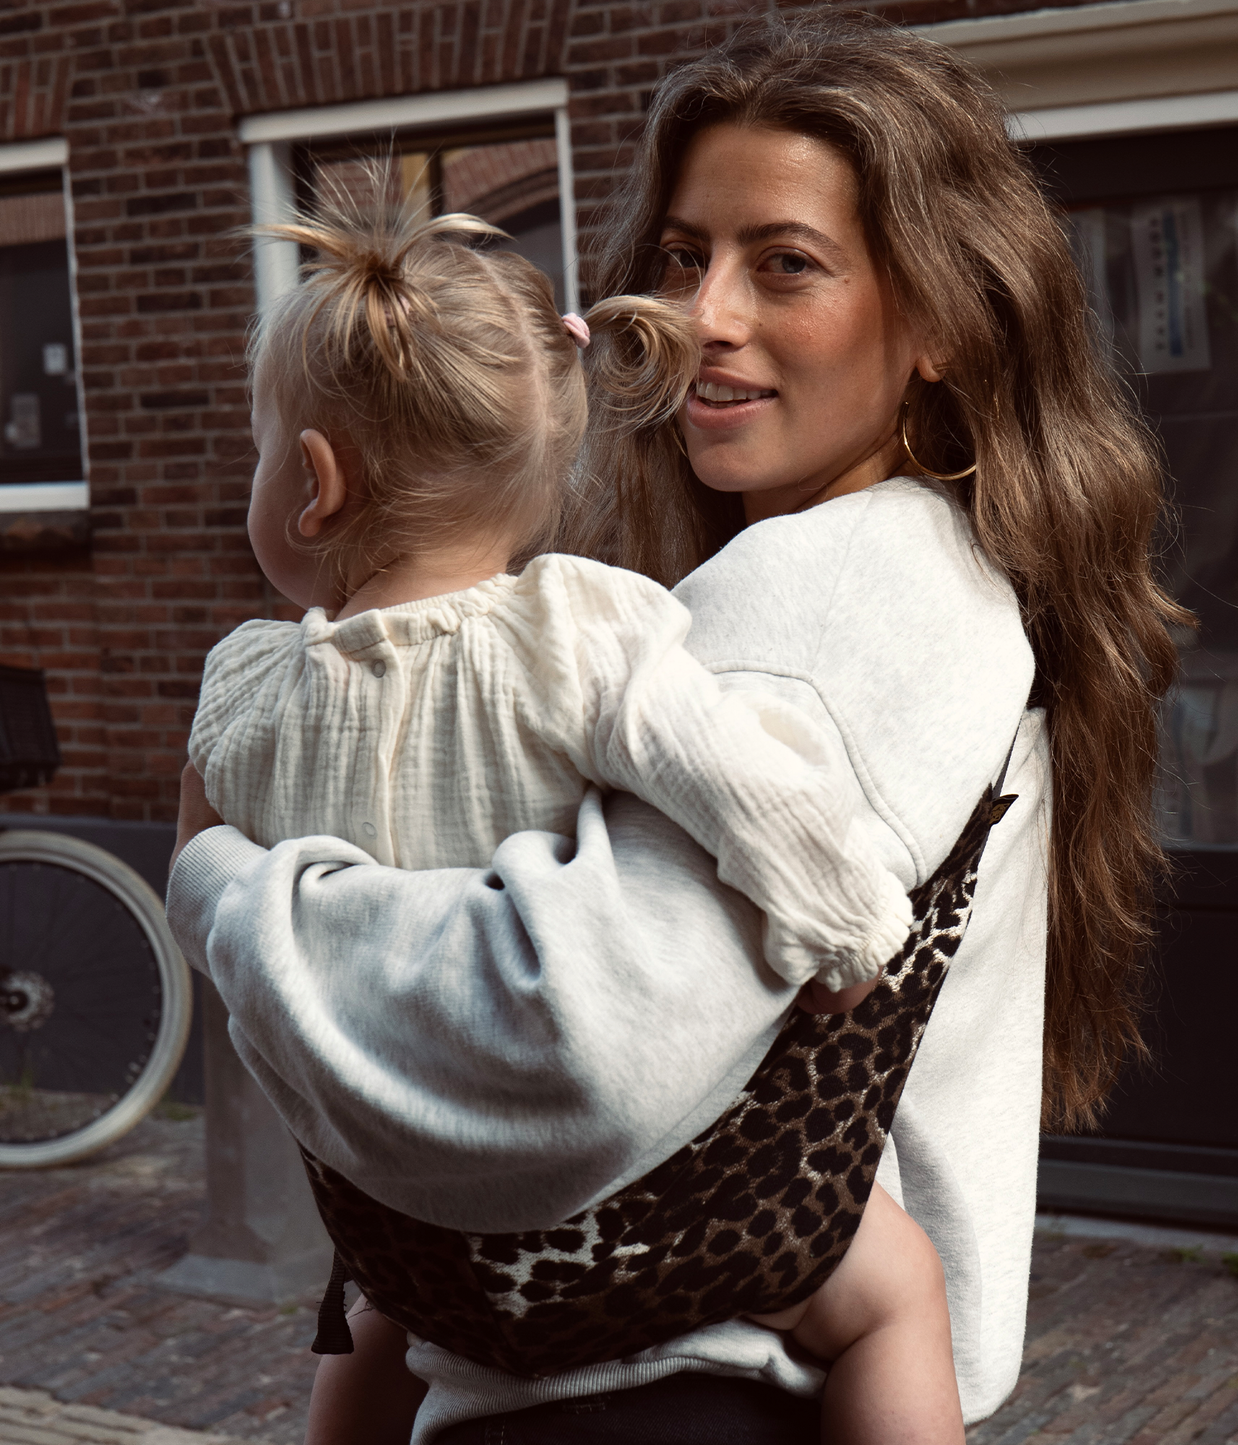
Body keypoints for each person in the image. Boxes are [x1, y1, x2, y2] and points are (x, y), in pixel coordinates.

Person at [167, 10, 1184, 1442]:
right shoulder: (775, 583)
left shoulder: (831, 592)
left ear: (945, 319)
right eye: (682, 255)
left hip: (668, 1396)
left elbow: (564, 1047)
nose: (707, 314)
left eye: (786, 264)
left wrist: (221, 889)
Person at [185, 189, 975, 1444]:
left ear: (313, 484)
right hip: (615, 1200)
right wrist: (846, 931)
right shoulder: (582, 628)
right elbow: (742, 785)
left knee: (385, 1316)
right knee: (895, 1289)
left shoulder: (241, 685)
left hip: (394, 1193)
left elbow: (205, 874)